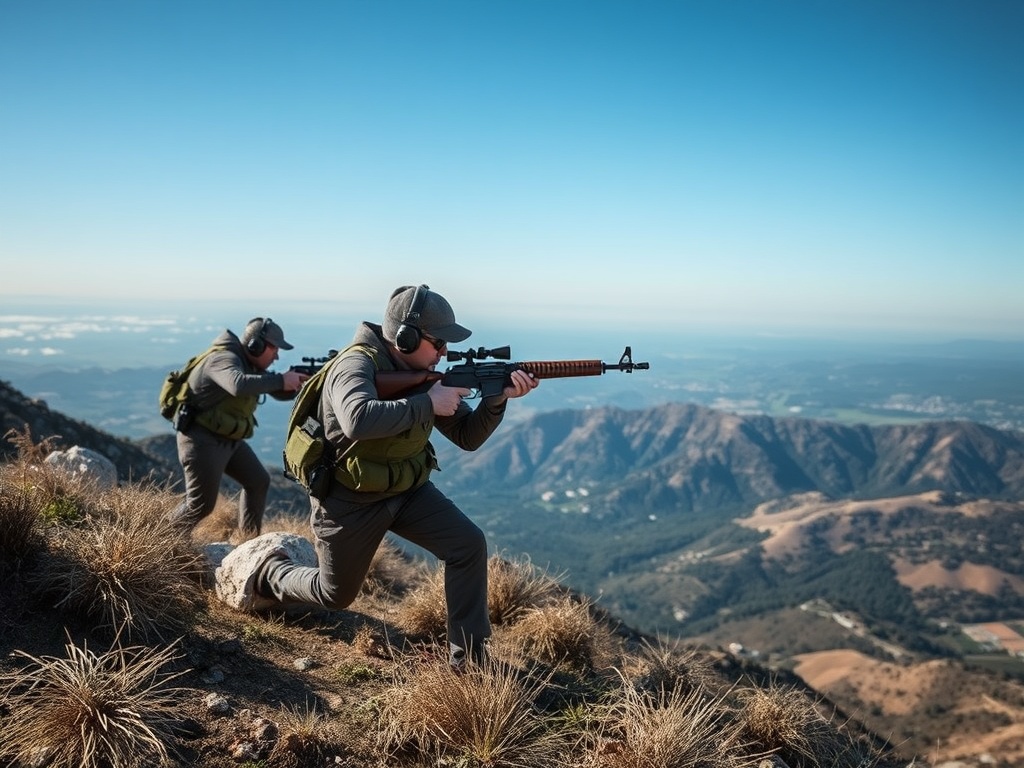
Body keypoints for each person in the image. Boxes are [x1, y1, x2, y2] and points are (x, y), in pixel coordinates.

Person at [246, 285, 538, 668]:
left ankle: (470, 661)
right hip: (350, 499)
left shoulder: (424, 375)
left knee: (467, 544)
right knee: (335, 594)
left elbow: (467, 437)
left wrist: (496, 399)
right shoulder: (353, 366)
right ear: (406, 337)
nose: (444, 353)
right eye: (438, 342)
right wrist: (427, 404)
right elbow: (357, 419)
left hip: (407, 489)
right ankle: (271, 572)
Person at [169, 317, 308, 539]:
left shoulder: (248, 363)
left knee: (258, 481)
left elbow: (271, 387)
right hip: (202, 441)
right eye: (274, 348)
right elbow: (238, 385)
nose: (277, 355)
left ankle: (247, 541)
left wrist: (296, 383)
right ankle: (163, 537)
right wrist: (282, 380)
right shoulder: (223, 359)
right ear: (256, 345)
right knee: (200, 504)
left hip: (227, 439)